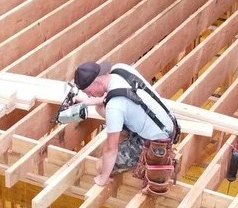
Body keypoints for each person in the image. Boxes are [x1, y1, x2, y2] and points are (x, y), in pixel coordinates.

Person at [61, 61, 180, 193]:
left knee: (101, 165)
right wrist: (87, 101)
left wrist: (103, 178)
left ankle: (136, 152)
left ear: (97, 82)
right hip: (168, 125)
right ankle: (125, 138)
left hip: (156, 143)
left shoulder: (115, 106)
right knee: (100, 108)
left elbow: (111, 149)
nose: (89, 95)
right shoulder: (120, 69)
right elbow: (118, 94)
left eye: (88, 92)